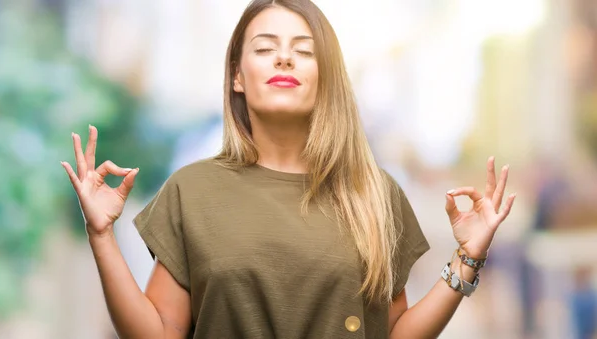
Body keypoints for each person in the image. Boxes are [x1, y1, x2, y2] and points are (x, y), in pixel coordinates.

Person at [61, 0, 516, 338]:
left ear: (324, 77)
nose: (284, 58)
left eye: (304, 50)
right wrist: (101, 236)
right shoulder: (192, 190)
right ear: (238, 76)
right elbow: (157, 333)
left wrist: (468, 257)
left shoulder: (372, 193)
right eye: (265, 48)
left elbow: (396, 332)